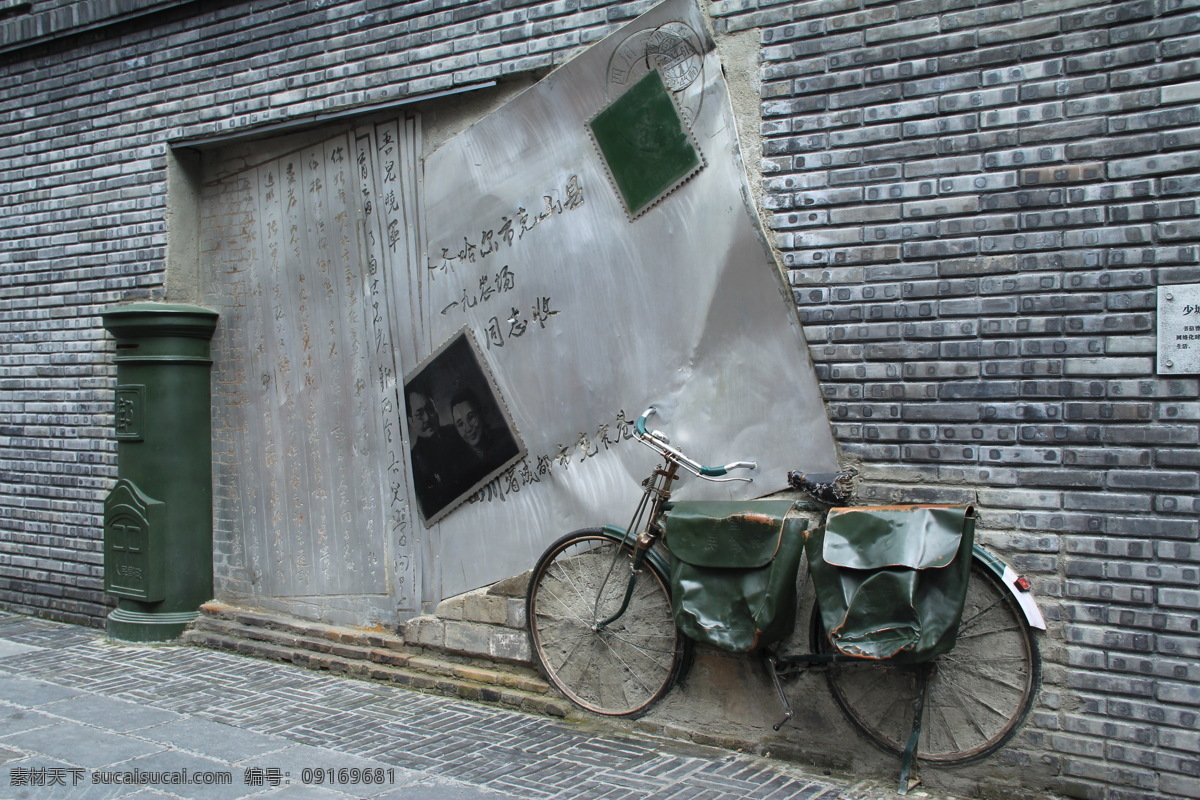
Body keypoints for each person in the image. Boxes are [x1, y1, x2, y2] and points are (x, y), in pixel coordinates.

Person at [406, 384, 470, 520]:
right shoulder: (412, 463)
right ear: (411, 421)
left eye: (430, 409)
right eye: (419, 414)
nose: (427, 418)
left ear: (435, 407)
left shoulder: (457, 432)